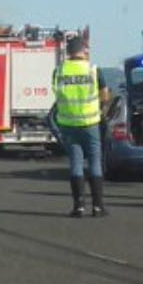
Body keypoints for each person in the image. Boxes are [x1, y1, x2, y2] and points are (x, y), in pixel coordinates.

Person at [52, 38, 112, 217]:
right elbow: (105, 96)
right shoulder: (93, 70)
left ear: (68, 52)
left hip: (68, 124)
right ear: (84, 51)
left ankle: (78, 206)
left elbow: (57, 93)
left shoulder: (59, 71)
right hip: (91, 123)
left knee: (76, 163)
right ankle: (98, 206)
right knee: (94, 162)